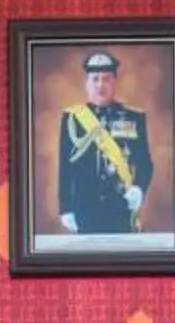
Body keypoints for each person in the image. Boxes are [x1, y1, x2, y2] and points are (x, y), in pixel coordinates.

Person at [57, 50, 152, 236]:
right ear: (87, 84)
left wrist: (139, 188)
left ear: (114, 81)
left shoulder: (134, 117)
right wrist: (65, 208)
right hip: (83, 209)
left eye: (106, 79)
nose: (100, 84)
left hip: (121, 206)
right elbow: (65, 168)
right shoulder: (73, 118)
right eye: (95, 79)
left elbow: (145, 163)